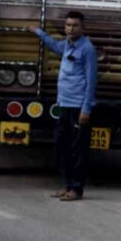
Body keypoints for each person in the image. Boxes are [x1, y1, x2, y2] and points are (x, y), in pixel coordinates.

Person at [27, 11, 97, 201]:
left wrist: (86, 109)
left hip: (78, 107)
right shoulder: (67, 45)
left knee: (78, 150)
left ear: (82, 28)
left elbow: (91, 81)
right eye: (67, 25)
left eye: (74, 25)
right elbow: (53, 45)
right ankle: (67, 185)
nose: (70, 29)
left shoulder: (87, 49)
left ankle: (77, 189)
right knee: (61, 146)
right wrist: (38, 32)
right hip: (64, 104)